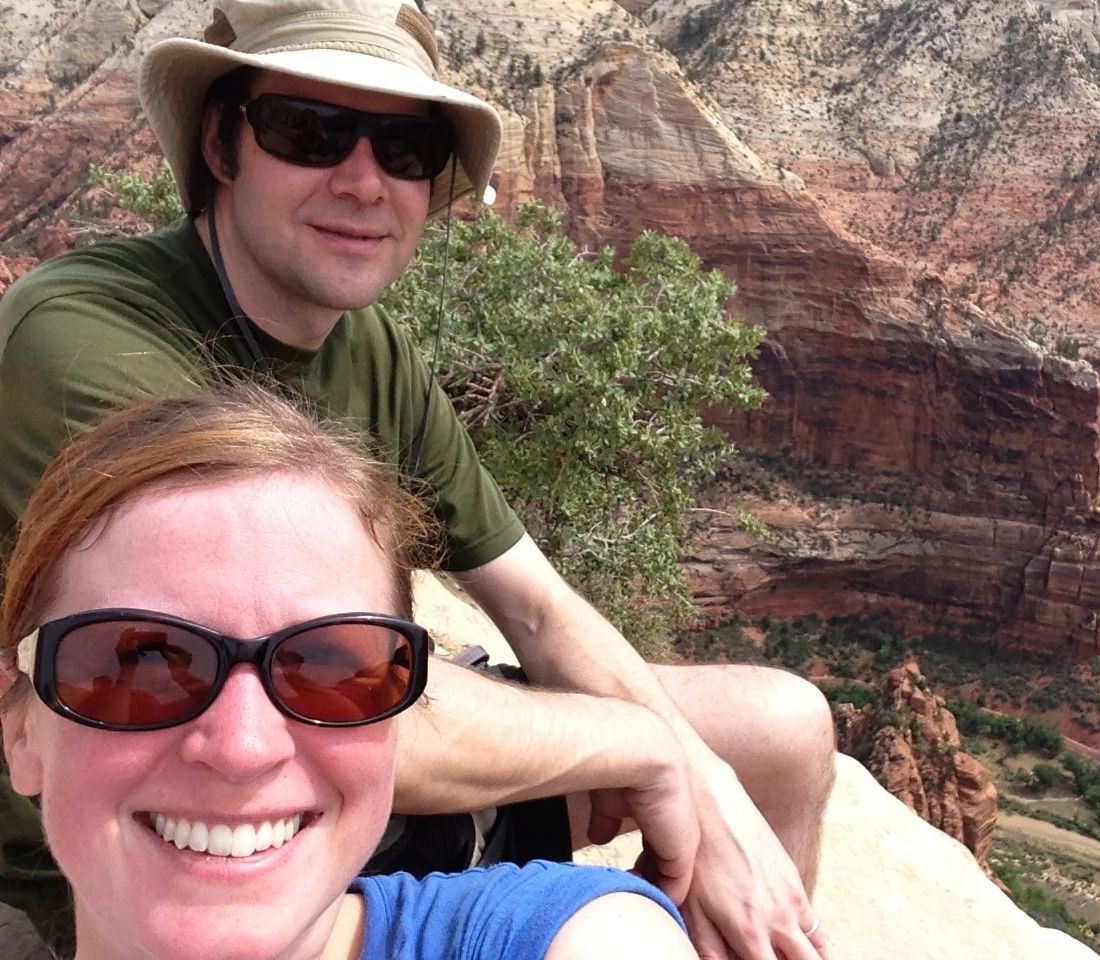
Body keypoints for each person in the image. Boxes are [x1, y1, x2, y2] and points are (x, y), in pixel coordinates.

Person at [0, 1, 836, 957]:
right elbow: (266, 700)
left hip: (349, 785)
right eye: (308, 131)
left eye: (406, 149)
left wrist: (708, 787)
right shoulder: (84, 340)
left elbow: (536, 606)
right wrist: (644, 752)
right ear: (222, 146)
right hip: (159, 834)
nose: (364, 181)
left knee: (781, 731)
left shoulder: (370, 347)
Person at [0, 384, 699, 960]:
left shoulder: (556, 939)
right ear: (19, 728)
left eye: (329, 667)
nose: (244, 748)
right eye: (141, 664)